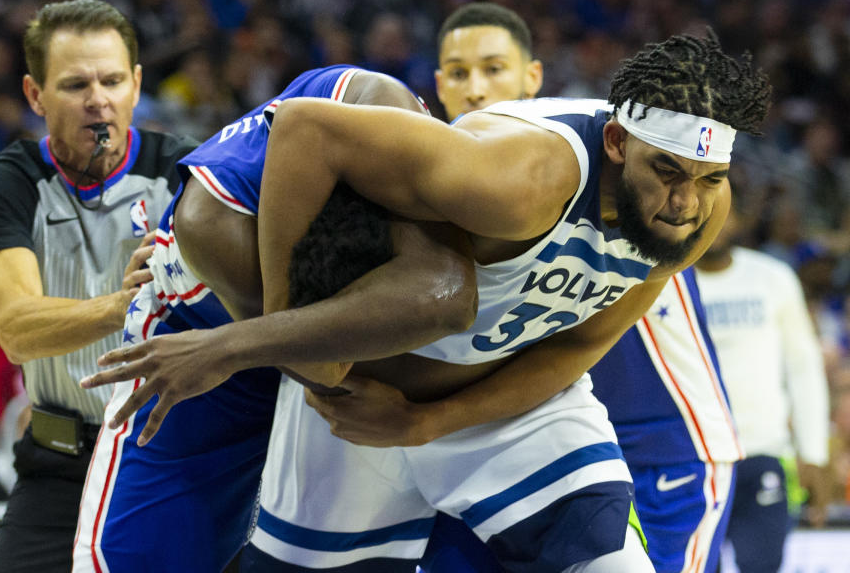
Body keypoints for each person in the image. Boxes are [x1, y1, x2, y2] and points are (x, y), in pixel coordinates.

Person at [88, 31, 769, 570]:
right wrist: (278, 330)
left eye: (710, 179)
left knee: (606, 563)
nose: (685, 202)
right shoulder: (520, 180)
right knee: (441, 295)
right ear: (618, 144)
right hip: (362, 405)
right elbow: (305, 129)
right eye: (669, 172)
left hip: (506, 406)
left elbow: (579, 345)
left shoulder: (697, 212)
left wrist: (428, 421)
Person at [73, 65, 478, 572]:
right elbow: (322, 370)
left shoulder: (388, 117)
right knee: (140, 556)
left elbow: (450, 292)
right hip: (197, 334)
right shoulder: (214, 227)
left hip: (257, 336)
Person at [405, 4, 741, 573]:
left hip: (661, 448)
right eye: (458, 75)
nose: (477, 89)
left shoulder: (614, 177)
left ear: (533, 82)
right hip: (525, 439)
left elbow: (579, 347)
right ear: (437, 87)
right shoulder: (472, 189)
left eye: (494, 69)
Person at [0, 0, 195, 573]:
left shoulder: (188, 173)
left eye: (112, 80)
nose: (98, 99)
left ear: (136, 84)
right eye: (75, 84)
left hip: (174, 456)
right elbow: (18, 330)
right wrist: (128, 302)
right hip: (60, 467)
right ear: (35, 95)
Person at [695, 206, 831, 573]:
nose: (714, 222)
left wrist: (813, 452)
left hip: (763, 451)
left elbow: (804, 370)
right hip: (693, 458)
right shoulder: (665, 282)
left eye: (722, 211)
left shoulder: (772, 278)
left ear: (738, 218)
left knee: (764, 565)